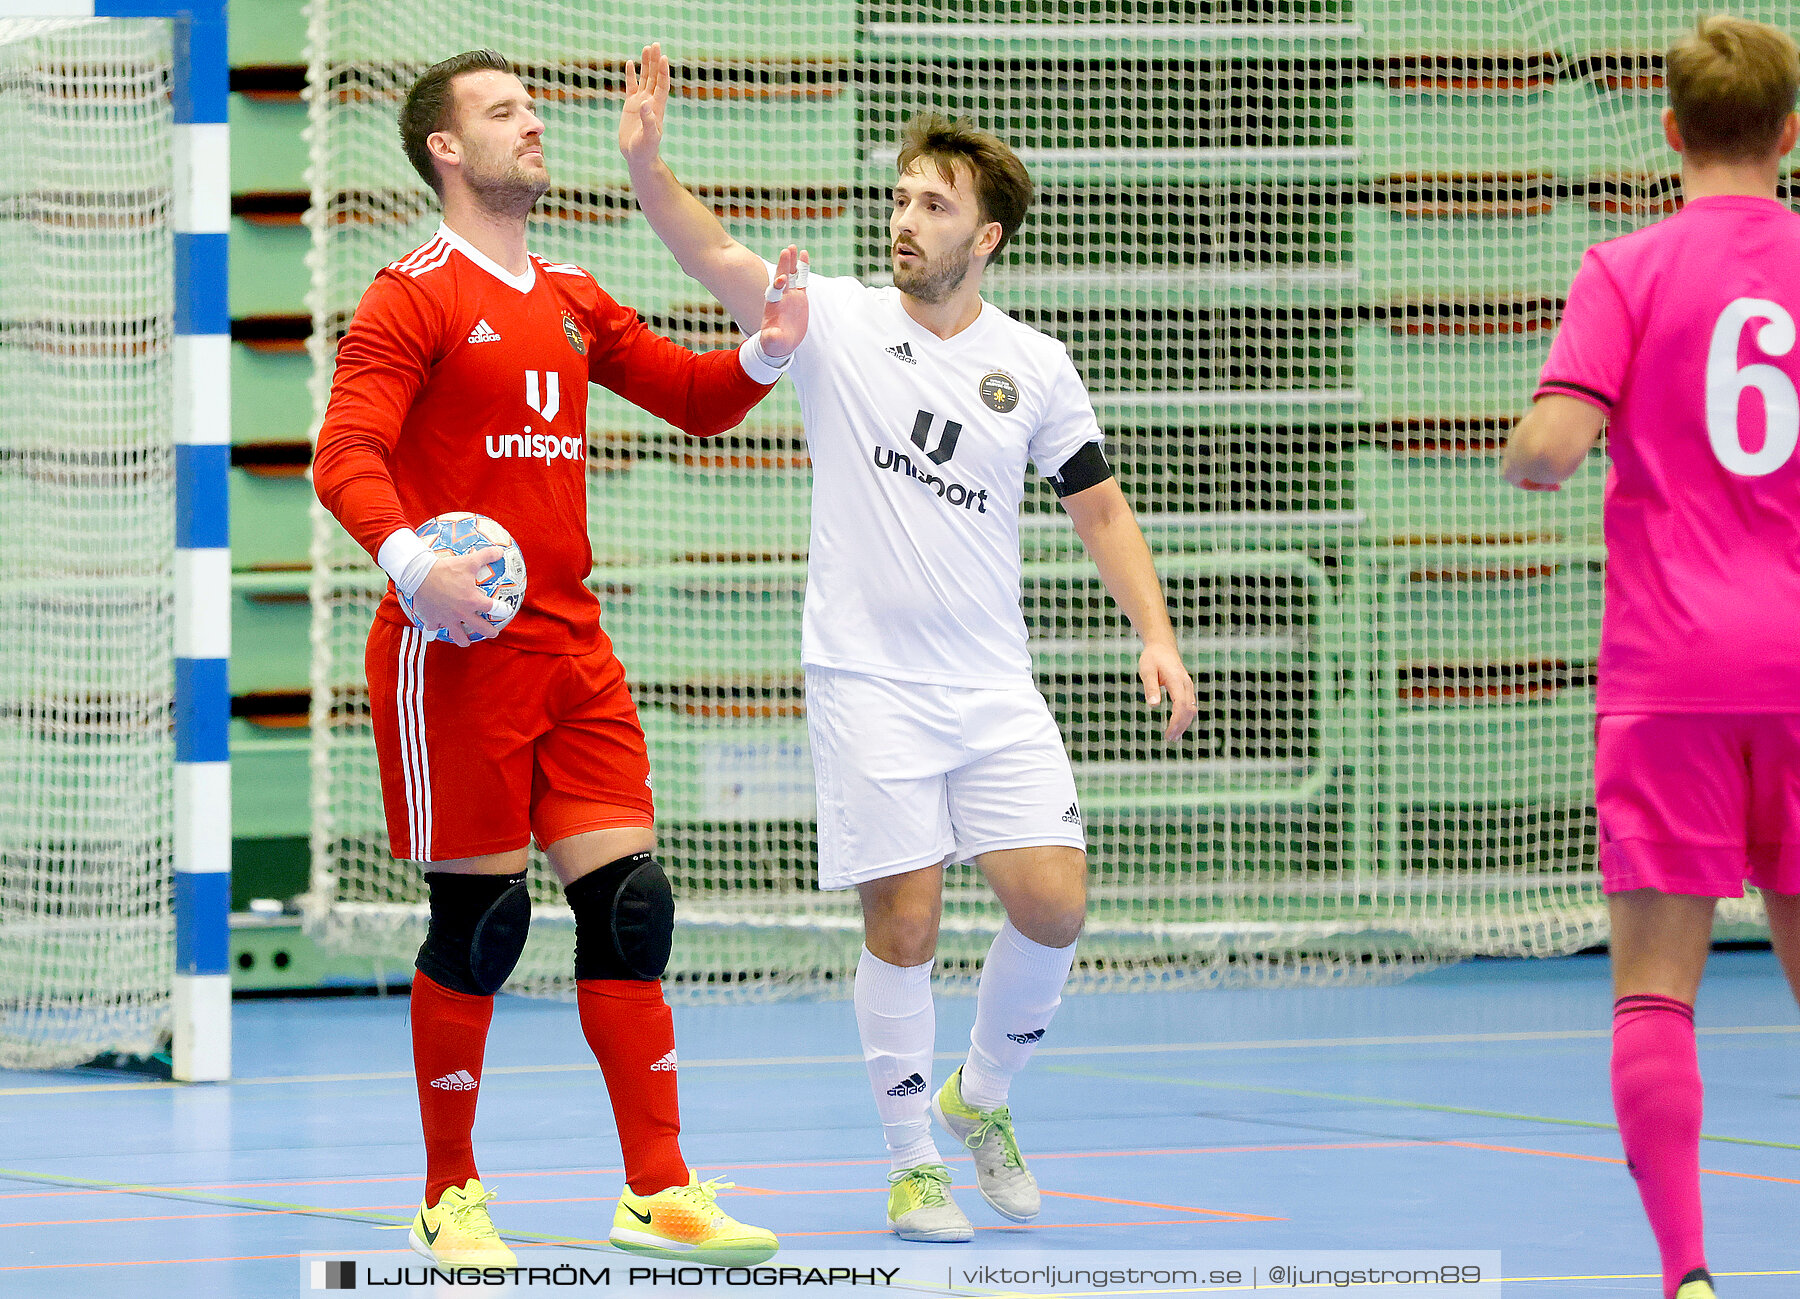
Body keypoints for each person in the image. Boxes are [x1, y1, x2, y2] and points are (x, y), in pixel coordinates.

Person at [617, 45, 1199, 1241]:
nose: (905, 218)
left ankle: (979, 1101)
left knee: (1054, 907)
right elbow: (707, 251)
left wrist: (1157, 634)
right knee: (909, 924)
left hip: (992, 685)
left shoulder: (1034, 366)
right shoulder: (829, 316)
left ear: (984, 237)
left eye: (933, 204)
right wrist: (646, 164)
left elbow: (1099, 505)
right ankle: (909, 1163)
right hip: (867, 680)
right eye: (900, 196)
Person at [311, 49, 807, 1267]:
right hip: (455, 654)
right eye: (501, 112)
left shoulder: (574, 292)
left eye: (533, 108)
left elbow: (692, 397)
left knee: (632, 908)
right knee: (482, 924)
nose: (532, 124)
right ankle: (450, 1193)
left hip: (572, 648)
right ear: (444, 146)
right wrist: (412, 564)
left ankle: (656, 1189)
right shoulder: (410, 295)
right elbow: (344, 456)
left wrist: (768, 351)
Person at [1502, 16, 1800, 1299]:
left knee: (1655, 998)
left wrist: (1531, 441)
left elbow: (1552, 448)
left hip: (1673, 677)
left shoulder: (1623, 268)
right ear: (1790, 135)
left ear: (1670, 132)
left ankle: (1686, 1275)